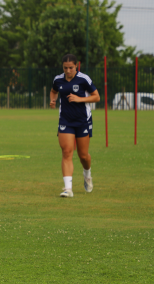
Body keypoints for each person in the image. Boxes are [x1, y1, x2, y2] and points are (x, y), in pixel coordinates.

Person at [50, 54, 100, 198]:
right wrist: (53, 100)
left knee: (83, 155)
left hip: (83, 120)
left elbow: (96, 97)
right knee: (67, 152)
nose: (68, 70)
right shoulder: (58, 79)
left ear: (76, 66)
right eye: (65, 68)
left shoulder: (84, 79)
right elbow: (54, 91)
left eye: (71, 67)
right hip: (65, 120)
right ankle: (68, 189)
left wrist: (80, 99)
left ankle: (87, 175)